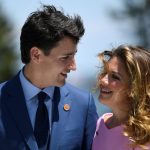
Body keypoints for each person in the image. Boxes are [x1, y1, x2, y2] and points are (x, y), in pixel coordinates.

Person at [0, 5, 98, 150]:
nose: (73, 66)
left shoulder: (83, 105)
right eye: (65, 57)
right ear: (36, 55)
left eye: (74, 55)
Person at [92, 45, 150, 150]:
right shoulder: (100, 123)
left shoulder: (144, 135)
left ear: (135, 87)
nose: (103, 80)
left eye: (115, 77)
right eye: (105, 72)